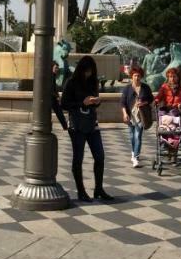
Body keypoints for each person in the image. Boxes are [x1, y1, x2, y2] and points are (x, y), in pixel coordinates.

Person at [61, 55, 113, 202]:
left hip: (92, 124)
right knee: (78, 158)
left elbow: (94, 100)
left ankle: (98, 188)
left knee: (100, 156)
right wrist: (81, 103)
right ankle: (81, 191)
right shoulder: (71, 83)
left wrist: (96, 102)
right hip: (77, 125)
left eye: (90, 71)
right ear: (81, 70)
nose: (88, 74)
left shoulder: (93, 82)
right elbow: (64, 104)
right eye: (86, 71)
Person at [120, 66, 153, 168]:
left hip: (140, 115)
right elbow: (122, 103)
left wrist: (144, 103)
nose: (137, 77)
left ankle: (136, 157)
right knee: (131, 136)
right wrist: (125, 114)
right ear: (131, 77)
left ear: (141, 76)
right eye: (135, 75)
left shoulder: (145, 87)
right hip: (131, 116)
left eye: (139, 76)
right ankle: (134, 151)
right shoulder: (127, 88)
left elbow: (151, 99)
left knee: (137, 136)